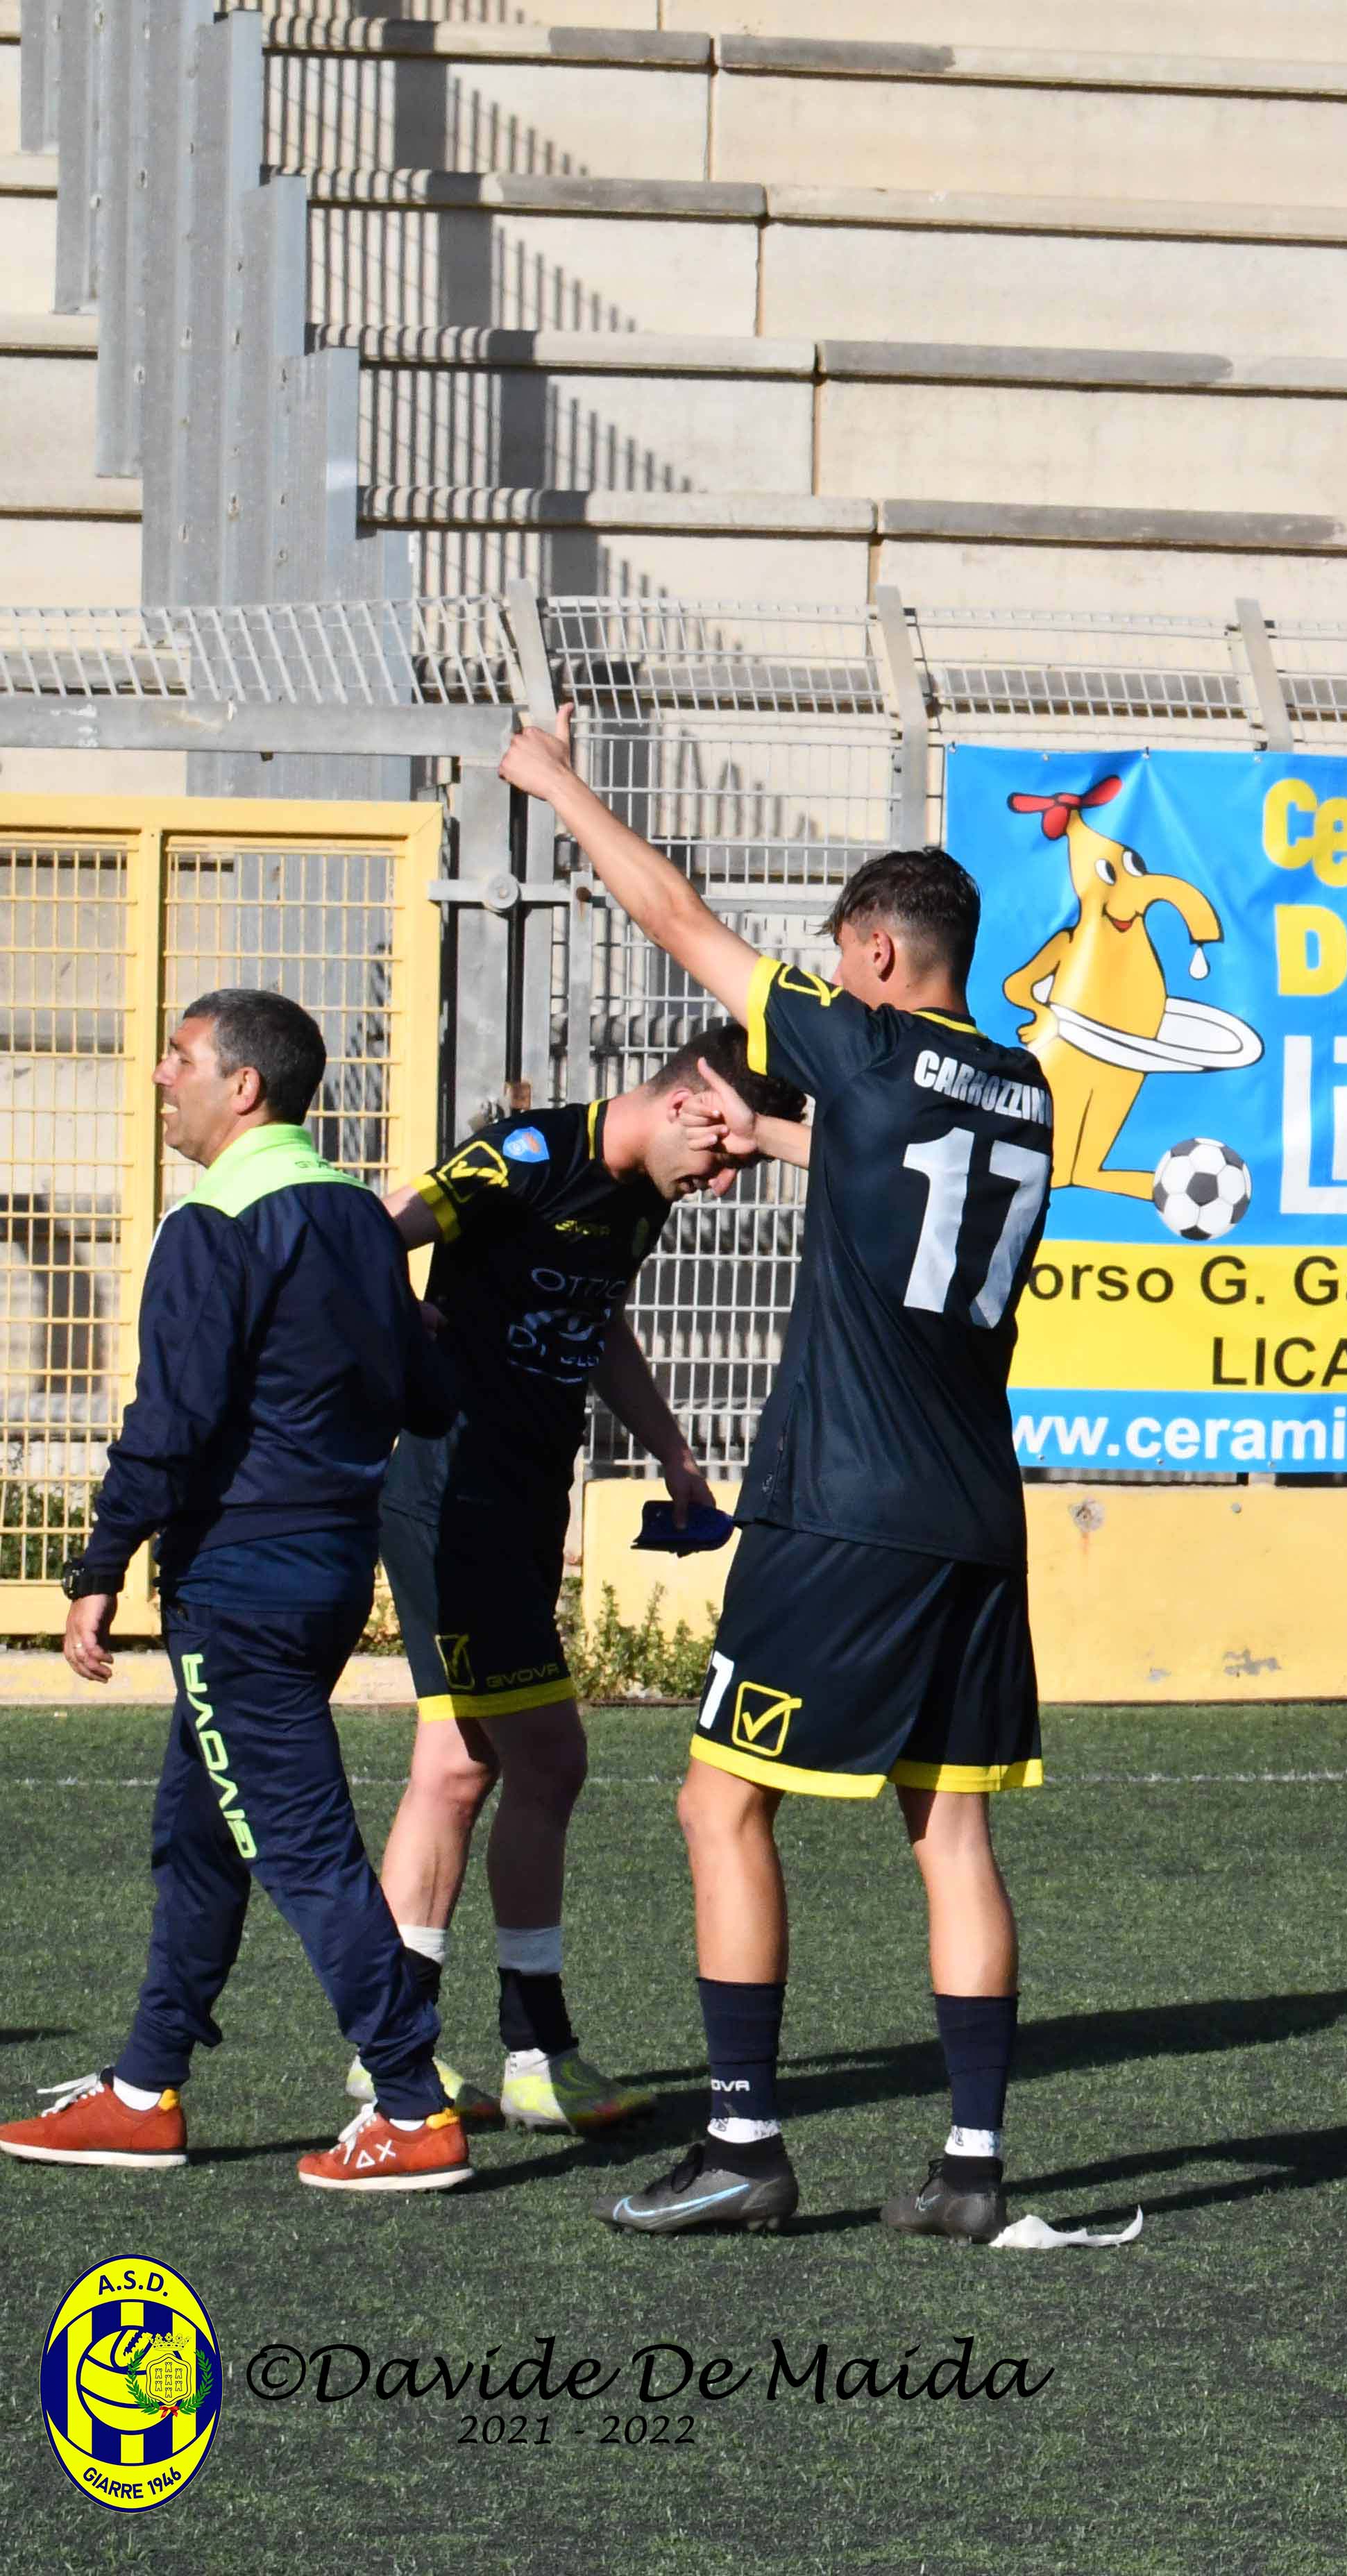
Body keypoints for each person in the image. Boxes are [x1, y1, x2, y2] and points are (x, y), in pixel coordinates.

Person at [495, 711, 1056, 2244]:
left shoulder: (863, 1042)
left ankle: (743, 2140)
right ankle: (972, 2167)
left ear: (875, 954)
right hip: (976, 1515)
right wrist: (781, 1134)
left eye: (837, 961)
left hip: (842, 1510)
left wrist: (557, 784)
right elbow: (902, 1162)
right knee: (950, 1833)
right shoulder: (1022, 1085)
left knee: (719, 1801)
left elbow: (679, 917)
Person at [0, 990, 466, 2191]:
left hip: (242, 1585)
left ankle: (412, 2105)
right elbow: (428, 1399)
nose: (162, 1076)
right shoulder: (356, 1216)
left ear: (243, 1087)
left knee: (300, 1846)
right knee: (199, 1835)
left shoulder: (212, 1222)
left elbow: (173, 1419)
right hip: (325, 1571)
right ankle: (144, 2091)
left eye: (181, 1056)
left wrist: (98, 1568)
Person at [350, 1024, 799, 2138]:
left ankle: (394, 2051)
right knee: (548, 1759)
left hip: (515, 1501)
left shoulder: (639, 1199)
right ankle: (534, 2049)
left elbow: (596, 1326)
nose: (725, 1178)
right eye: (727, 1150)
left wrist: (672, 1448)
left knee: (456, 1767)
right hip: (453, 1502)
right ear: (688, 1102)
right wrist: (397, 1311)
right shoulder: (531, 1155)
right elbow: (367, 1230)